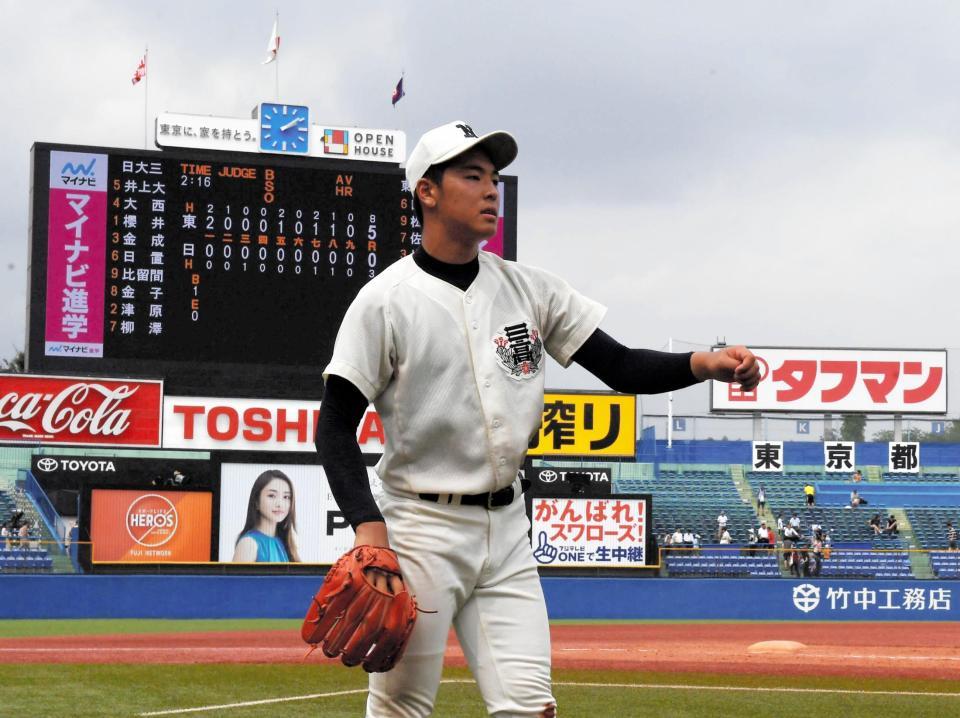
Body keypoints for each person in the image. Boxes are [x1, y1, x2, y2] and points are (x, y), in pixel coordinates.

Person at [314, 120, 761, 717]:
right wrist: (371, 532)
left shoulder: (528, 289)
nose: (491, 190)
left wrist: (705, 364)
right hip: (419, 528)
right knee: (401, 710)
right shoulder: (386, 300)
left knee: (530, 707)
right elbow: (334, 423)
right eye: (471, 176)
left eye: (494, 178)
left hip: (507, 530)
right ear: (427, 191)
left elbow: (621, 365)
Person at [232, 469, 300, 563]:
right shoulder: (249, 544)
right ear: (256, 501)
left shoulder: (284, 542)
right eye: (271, 496)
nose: (280, 504)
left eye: (286, 497)